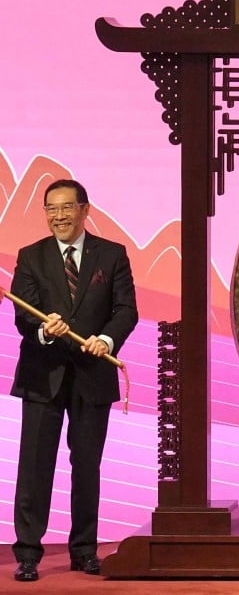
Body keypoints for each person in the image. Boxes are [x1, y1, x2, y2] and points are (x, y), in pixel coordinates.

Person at [9, 179, 138, 582]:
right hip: (41, 376)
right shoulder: (31, 257)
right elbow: (22, 316)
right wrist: (45, 329)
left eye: (66, 208)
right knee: (34, 466)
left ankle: (83, 550)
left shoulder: (112, 255)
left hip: (92, 376)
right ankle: (28, 552)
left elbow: (126, 309)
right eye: (51, 209)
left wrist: (105, 338)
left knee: (86, 466)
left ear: (84, 210)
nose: (58, 216)